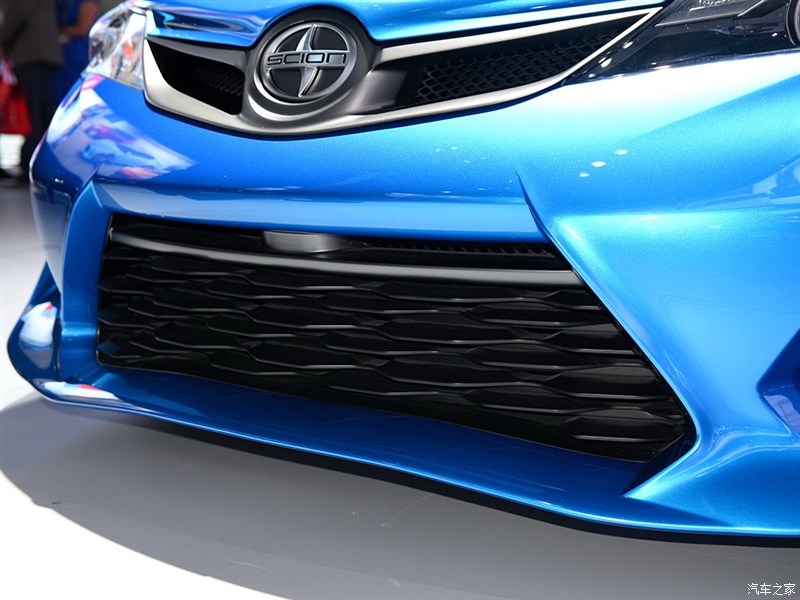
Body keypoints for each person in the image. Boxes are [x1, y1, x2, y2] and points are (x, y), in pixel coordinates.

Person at [0, 0, 63, 180]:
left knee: (32, 112)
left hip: (30, 54)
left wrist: (2, 43)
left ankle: (30, 163)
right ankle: (38, 164)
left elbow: (15, 17)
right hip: (41, 55)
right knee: (40, 111)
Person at [53, 0, 101, 103]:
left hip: (78, 55)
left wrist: (54, 32)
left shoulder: (88, 2)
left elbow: (83, 29)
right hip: (61, 56)